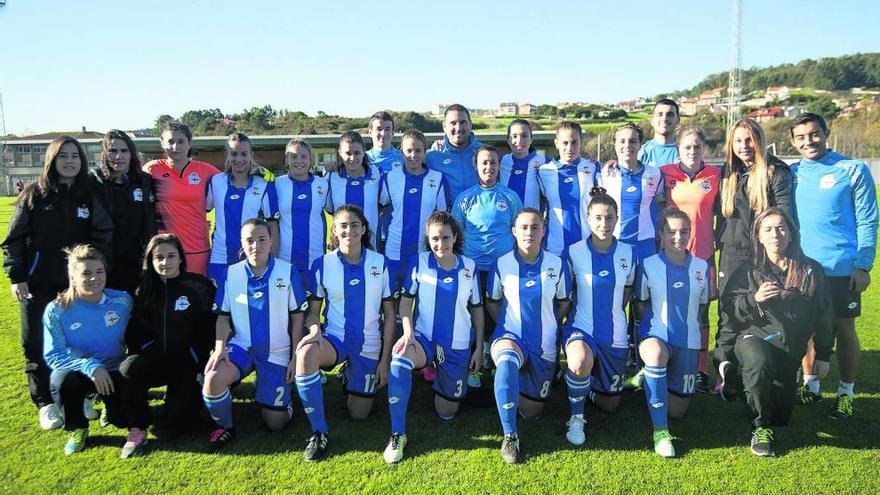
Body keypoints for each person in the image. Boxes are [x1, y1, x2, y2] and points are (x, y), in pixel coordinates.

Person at [2, 135, 113, 431]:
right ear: (52, 159)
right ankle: (45, 404)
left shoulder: (89, 195)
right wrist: (17, 276)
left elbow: (103, 234)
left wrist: (93, 272)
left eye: (75, 156)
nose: (69, 161)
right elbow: (13, 240)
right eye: (63, 156)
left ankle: (82, 395)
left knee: (80, 343)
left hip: (77, 287)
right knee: (35, 342)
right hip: (38, 284)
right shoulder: (35, 195)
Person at [721, 207, 833, 456]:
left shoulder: (810, 271)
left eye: (781, 228)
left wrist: (823, 354)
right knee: (758, 364)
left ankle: (738, 380)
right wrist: (754, 299)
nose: (775, 234)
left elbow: (825, 315)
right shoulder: (747, 270)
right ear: (758, 236)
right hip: (754, 338)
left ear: (791, 234)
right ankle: (759, 428)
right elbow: (729, 311)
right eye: (768, 229)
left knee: (781, 416)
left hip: (788, 348)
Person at [789, 113, 878, 418]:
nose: (808, 141)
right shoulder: (793, 172)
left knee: (844, 329)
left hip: (842, 266)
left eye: (814, 134)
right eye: (800, 137)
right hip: (803, 268)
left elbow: (868, 219)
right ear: (793, 141)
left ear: (826, 134)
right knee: (808, 328)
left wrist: (863, 265)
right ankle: (811, 386)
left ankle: (846, 392)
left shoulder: (852, 169)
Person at [294, 205, 396, 462]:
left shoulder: (380, 263)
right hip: (334, 339)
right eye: (343, 225)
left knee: (359, 414)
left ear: (363, 229)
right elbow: (313, 312)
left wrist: (385, 362)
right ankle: (319, 432)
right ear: (335, 231)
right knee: (306, 353)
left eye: (354, 225)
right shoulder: (322, 264)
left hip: (369, 343)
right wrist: (315, 331)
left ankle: (348, 373)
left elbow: (391, 316)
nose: (348, 230)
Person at [383, 211, 484, 463]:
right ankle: (398, 434)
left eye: (446, 237)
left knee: (446, 412)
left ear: (455, 237)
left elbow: (478, 310)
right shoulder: (418, 262)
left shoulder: (469, 267)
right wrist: (408, 333)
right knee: (400, 357)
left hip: (457, 346)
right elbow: (405, 305)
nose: (441, 244)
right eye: (435, 238)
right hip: (423, 339)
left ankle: (442, 377)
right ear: (428, 239)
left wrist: (479, 348)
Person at [201, 218, 307, 452]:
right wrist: (219, 348)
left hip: (277, 351)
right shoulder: (231, 273)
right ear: (242, 243)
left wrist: (294, 357)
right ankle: (225, 427)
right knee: (212, 379)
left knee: (275, 423)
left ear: (271, 242)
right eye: (249, 240)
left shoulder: (287, 271)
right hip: (241, 348)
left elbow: (298, 317)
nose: (256, 246)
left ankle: (282, 394)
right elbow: (223, 316)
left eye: (261, 239)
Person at [714, 118, 793, 398]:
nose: (744, 146)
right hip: (731, 255)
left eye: (749, 140)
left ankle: (763, 373)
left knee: (764, 312)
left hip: (763, 257)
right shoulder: (728, 172)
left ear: (759, 140)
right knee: (729, 313)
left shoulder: (776, 173)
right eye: (738, 141)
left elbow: (786, 217)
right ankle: (727, 374)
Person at [486, 208, 571, 464]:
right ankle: (510, 436)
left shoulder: (557, 264)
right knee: (507, 359)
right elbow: (493, 303)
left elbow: (564, 303)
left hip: (543, 345)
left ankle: (510, 385)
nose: (529, 232)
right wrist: (506, 328)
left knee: (532, 412)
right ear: (514, 231)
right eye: (523, 227)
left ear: (544, 231)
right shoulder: (501, 264)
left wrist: (549, 324)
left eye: (535, 227)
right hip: (511, 335)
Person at [42, 245, 145, 457]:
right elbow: (53, 355)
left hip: (115, 371)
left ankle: (114, 408)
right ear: (72, 276)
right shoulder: (58, 309)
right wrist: (90, 366)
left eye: (99, 272)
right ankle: (77, 427)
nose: (94, 278)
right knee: (63, 381)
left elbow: (137, 333)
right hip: (80, 372)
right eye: (86, 273)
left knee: (120, 418)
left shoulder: (122, 301)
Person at [121, 233, 216, 438]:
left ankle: (187, 400)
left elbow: (208, 332)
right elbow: (135, 333)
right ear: (151, 261)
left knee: (170, 428)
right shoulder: (143, 290)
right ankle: (139, 422)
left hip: (187, 364)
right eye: (159, 257)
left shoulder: (199, 287)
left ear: (181, 258)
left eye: (171, 256)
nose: (165, 262)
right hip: (156, 361)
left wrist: (196, 360)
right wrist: (149, 350)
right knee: (129, 367)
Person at [562, 188, 636, 445]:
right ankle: (576, 417)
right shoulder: (573, 252)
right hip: (581, 328)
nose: (604, 224)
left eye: (609, 218)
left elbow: (626, 291)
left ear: (617, 219)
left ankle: (585, 388)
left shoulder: (628, 253)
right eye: (598, 218)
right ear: (588, 218)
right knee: (580, 360)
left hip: (614, 334)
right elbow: (564, 294)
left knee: (610, 405)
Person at [635, 209, 709, 458]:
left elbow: (702, 306)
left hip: (687, 342)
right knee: (655, 354)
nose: (678, 237)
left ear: (690, 233)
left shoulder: (701, 267)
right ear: (661, 234)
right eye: (671, 232)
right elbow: (640, 304)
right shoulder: (648, 265)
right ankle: (660, 432)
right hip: (657, 337)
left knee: (677, 410)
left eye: (684, 231)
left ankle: (649, 380)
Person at [451, 145, 523, 386]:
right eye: (484, 163)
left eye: (493, 162)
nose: (489, 167)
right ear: (476, 166)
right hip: (472, 269)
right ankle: (473, 365)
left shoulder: (510, 197)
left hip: (502, 269)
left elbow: (519, 230)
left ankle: (497, 360)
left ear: (498, 166)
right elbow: (456, 234)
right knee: (471, 316)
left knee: (499, 316)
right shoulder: (465, 198)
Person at [658, 126, 721, 392]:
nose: (692, 151)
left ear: (703, 148)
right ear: (678, 150)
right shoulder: (664, 174)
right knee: (668, 313)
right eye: (687, 147)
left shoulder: (716, 175)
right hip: (671, 257)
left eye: (697, 147)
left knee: (701, 316)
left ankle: (700, 369)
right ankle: (666, 363)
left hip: (703, 256)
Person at [144, 121, 220, 276]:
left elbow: (235, 180)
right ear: (162, 143)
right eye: (170, 141)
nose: (175, 147)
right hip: (165, 252)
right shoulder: (151, 169)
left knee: (197, 295)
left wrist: (259, 173)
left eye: (181, 142)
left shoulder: (206, 170)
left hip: (198, 249)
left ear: (190, 143)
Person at [206, 132, 279, 287]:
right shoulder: (216, 182)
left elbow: (273, 224)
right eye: (234, 154)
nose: (239, 159)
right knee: (219, 308)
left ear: (251, 155)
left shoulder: (264, 185)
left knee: (249, 308)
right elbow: (201, 211)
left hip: (253, 257)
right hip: (220, 258)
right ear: (227, 154)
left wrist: (273, 258)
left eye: (244, 154)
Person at [90, 129, 157, 295]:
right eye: (113, 151)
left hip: (138, 264)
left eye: (124, 151)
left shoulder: (144, 181)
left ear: (131, 154)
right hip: (104, 265)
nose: (118, 156)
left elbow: (149, 224)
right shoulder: (93, 182)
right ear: (105, 153)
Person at [380, 129, 447, 289]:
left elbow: (443, 215)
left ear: (425, 151)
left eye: (418, 150)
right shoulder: (390, 177)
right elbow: (380, 204)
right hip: (394, 250)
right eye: (409, 150)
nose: (413, 155)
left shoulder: (437, 178)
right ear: (401, 151)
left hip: (424, 251)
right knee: (392, 303)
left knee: (423, 303)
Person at [537, 121, 601, 256]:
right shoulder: (544, 171)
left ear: (581, 142)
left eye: (574, 142)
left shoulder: (593, 167)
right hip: (555, 248)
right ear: (556, 143)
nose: (569, 148)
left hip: (587, 247)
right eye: (565, 143)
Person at [274, 139, 329, 287]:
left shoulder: (322, 184)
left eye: (304, 156)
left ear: (310, 159)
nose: (299, 161)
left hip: (315, 257)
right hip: (284, 259)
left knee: (313, 308)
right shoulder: (277, 184)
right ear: (286, 160)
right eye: (293, 156)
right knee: (287, 308)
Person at [326, 131, 383, 246]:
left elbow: (384, 204)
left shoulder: (377, 174)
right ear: (340, 153)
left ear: (363, 152)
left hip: (371, 245)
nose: (352, 158)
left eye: (357, 153)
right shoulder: (331, 177)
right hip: (342, 244)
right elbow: (330, 210)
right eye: (348, 153)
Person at [425, 104, 483, 201]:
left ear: (470, 124)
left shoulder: (485, 153)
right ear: (444, 126)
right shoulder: (432, 156)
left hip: (480, 214)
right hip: (448, 214)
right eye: (453, 123)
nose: (458, 128)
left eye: (463, 122)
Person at [500, 119, 545, 209]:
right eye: (514, 136)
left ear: (531, 139)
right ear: (508, 140)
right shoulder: (501, 161)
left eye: (524, 136)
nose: (519, 140)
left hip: (532, 221)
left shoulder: (543, 162)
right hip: (506, 221)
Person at [639, 98, 681, 168]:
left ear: (678, 120)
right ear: (652, 121)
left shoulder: (686, 152)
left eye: (669, 115)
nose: (664, 119)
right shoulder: (641, 152)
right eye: (660, 114)